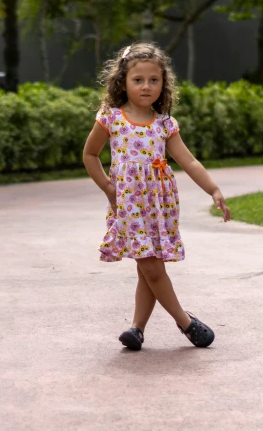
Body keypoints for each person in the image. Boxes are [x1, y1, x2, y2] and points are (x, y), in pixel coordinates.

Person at [83, 42, 232, 351]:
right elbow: (89, 154)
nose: (146, 86)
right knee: (151, 266)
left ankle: (137, 328)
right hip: (129, 206)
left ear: (164, 83)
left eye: (154, 80)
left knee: (147, 269)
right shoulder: (111, 118)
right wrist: (109, 189)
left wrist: (213, 190)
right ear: (123, 81)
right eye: (138, 80)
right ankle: (186, 322)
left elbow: (189, 161)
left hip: (158, 207)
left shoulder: (164, 124)